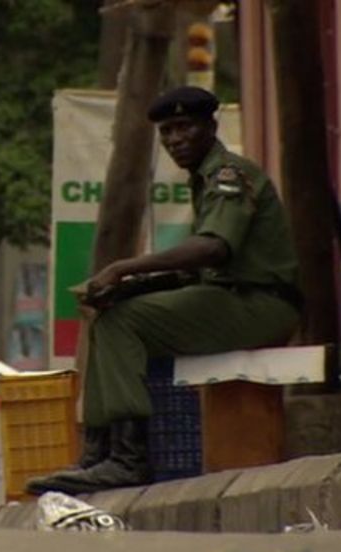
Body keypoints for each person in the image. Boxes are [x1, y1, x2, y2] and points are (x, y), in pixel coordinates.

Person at [27, 86, 302, 495]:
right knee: (109, 314)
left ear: (210, 126)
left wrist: (123, 267)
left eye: (183, 127)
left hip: (262, 305)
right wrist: (128, 286)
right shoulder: (205, 178)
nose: (174, 140)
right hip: (233, 299)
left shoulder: (229, 174)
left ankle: (128, 460)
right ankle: (97, 454)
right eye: (167, 131)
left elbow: (214, 247)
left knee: (125, 321)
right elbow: (206, 271)